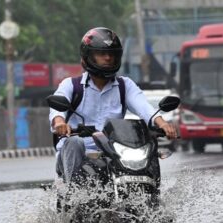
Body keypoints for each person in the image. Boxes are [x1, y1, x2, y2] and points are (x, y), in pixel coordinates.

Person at [49, 27, 177, 183]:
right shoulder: (71, 85)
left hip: (115, 152)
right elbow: (58, 105)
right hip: (81, 153)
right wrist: (60, 122)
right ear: (87, 56)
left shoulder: (125, 86)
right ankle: (74, 195)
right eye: (101, 54)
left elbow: (143, 106)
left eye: (112, 54)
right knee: (75, 142)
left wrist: (162, 123)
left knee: (149, 151)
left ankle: (152, 199)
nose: (108, 58)